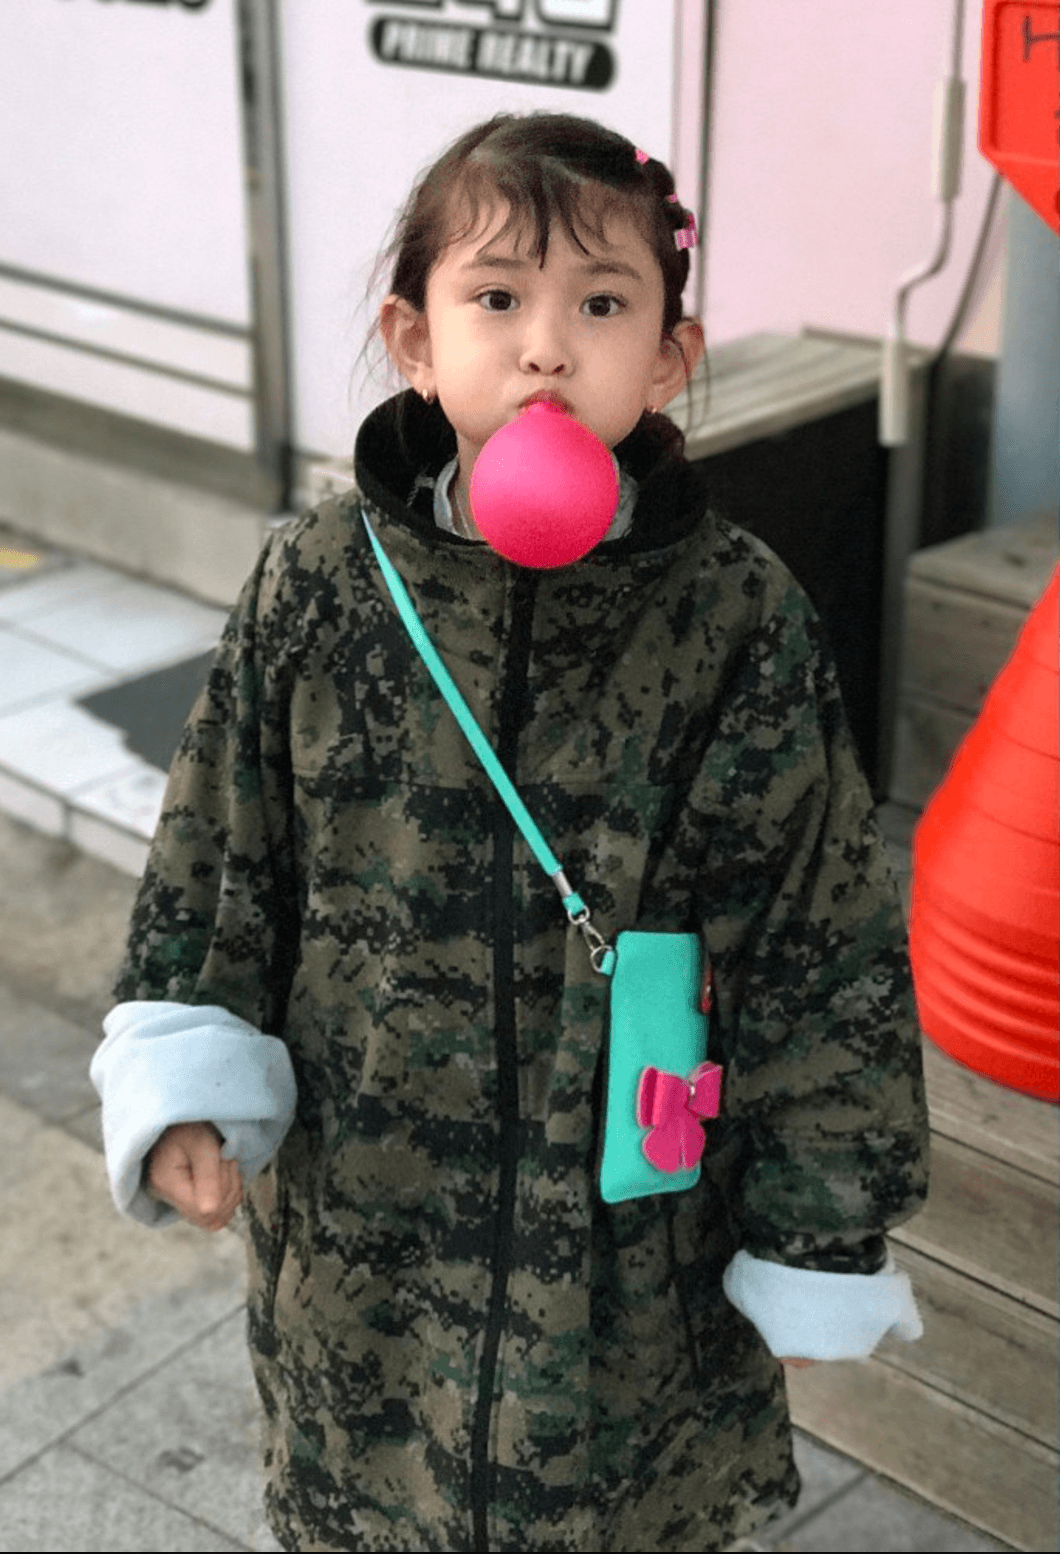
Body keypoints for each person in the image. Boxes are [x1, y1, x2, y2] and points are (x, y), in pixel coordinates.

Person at [91, 112, 929, 1553]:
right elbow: (220, 851)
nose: (546, 349)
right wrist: (184, 1075)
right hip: (366, 1228)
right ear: (415, 340)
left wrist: (820, 1222)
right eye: (498, 298)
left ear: (667, 357)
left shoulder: (737, 615)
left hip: (628, 1257)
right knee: (372, 1508)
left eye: (601, 305)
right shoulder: (319, 582)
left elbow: (819, 932)